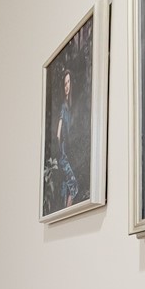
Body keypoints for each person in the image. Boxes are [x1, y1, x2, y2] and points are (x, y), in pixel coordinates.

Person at [55, 69, 80, 208]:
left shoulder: (69, 107)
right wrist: (61, 151)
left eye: (69, 82)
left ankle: (65, 209)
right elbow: (58, 134)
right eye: (65, 83)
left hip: (66, 154)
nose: (67, 86)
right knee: (74, 185)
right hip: (64, 155)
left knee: (66, 186)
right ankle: (68, 210)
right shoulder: (63, 107)